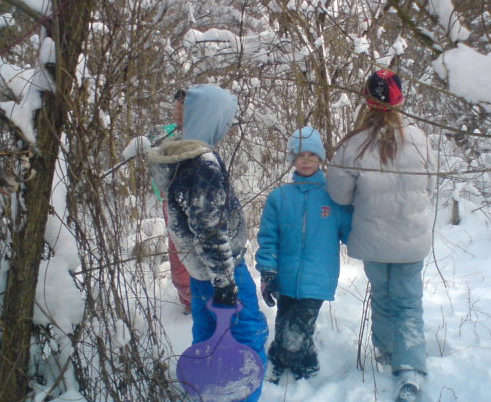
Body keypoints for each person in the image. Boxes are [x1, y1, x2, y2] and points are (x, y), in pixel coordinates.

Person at [148, 84, 268, 401]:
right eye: (225, 119)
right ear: (210, 118)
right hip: (222, 272)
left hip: (199, 272)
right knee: (246, 336)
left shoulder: (180, 158)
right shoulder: (204, 164)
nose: (226, 126)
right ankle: (241, 397)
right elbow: (208, 229)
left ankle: (207, 392)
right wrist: (225, 282)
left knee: (206, 336)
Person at [326, 69, 436, 402]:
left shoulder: (354, 144)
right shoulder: (419, 139)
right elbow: (431, 185)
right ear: (400, 100)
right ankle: (410, 368)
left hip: (373, 240)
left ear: (368, 100)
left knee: (383, 296)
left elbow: (339, 194)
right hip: (412, 238)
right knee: (408, 303)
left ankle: (387, 352)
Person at [255, 126, 352, 383]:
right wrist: (267, 270)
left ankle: (296, 362)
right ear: (292, 159)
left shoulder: (335, 196)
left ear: (320, 157)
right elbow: (268, 237)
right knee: (284, 324)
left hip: (317, 278)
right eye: (299, 155)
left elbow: (351, 233)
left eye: (311, 154)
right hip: (284, 277)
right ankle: (293, 363)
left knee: (295, 331)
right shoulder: (279, 198)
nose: (306, 160)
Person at [151, 90, 192, 312]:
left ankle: (197, 300)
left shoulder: (199, 137)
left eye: (181, 108)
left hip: (189, 201)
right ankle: (188, 300)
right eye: (175, 107)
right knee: (176, 253)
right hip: (170, 199)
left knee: (189, 250)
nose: (176, 112)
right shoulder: (168, 134)